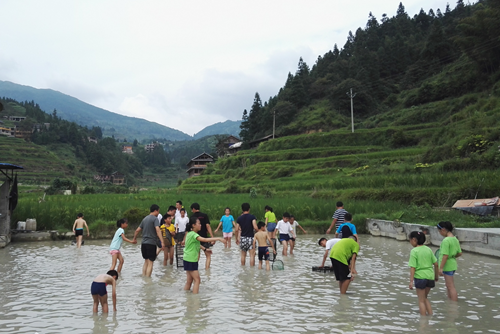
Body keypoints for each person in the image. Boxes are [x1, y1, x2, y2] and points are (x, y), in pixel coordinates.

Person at [183, 216, 225, 294]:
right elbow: (204, 239)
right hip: (191, 259)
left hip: (187, 258)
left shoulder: (190, 234)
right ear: (193, 225)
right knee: (197, 280)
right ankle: (195, 300)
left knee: (189, 280)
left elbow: (196, 244)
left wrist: (205, 249)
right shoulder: (193, 234)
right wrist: (218, 238)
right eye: (199, 223)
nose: (200, 225)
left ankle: (187, 298)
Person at [408, 231, 438, 316]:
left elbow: (413, 267)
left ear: (414, 240)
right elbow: (436, 264)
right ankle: (430, 316)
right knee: (425, 298)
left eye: (410, 240)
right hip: (430, 276)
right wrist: (436, 277)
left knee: (421, 300)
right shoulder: (428, 249)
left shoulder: (414, 251)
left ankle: (423, 321)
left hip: (420, 277)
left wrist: (411, 281)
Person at [133, 204, 164, 277]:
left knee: (146, 261)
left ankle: (144, 277)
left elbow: (137, 230)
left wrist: (134, 238)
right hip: (151, 243)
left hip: (143, 243)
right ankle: (148, 280)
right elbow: (158, 230)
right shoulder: (155, 219)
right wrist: (162, 241)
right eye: (158, 212)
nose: (158, 214)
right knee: (150, 262)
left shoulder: (145, 219)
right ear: (155, 210)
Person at [437, 221, 462, 301]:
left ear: (443, 230)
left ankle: (454, 305)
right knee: (448, 285)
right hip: (453, 264)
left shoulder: (446, 241)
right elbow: (459, 253)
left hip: (447, 266)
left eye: (439, 231)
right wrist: (452, 256)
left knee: (450, 286)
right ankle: (450, 301)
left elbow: (445, 255)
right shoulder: (454, 239)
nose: (440, 233)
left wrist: (441, 268)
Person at [190, 203, 215, 269]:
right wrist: (212, 237)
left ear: (193, 209)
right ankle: (207, 271)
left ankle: (195, 269)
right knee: (208, 255)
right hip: (204, 238)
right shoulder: (204, 215)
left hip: (196, 238)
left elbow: (190, 229)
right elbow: (208, 226)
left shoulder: (192, 217)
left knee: (197, 255)